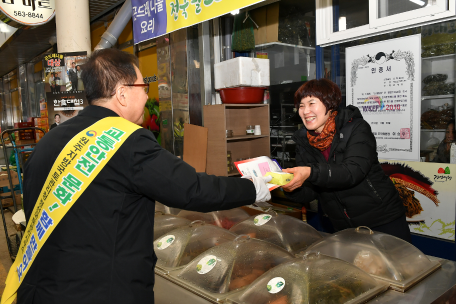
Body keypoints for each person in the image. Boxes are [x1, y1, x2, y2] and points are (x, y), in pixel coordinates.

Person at [14, 49, 271, 304]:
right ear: (122, 94)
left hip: (40, 289)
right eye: (144, 87)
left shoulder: (49, 141)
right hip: (102, 292)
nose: (147, 95)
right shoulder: (126, 140)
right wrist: (254, 187)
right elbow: (193, 190)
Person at [282, 79, 410, 242]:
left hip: (382, 218)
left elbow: (353, 171)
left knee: (397, 266)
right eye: (301, 105)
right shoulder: (304, 142)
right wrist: (290, 187)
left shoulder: (356, 128)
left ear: (330, 103)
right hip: (343, 226)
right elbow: (311, 191)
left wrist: (310, 172)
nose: (305, 111)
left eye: (312, 103)